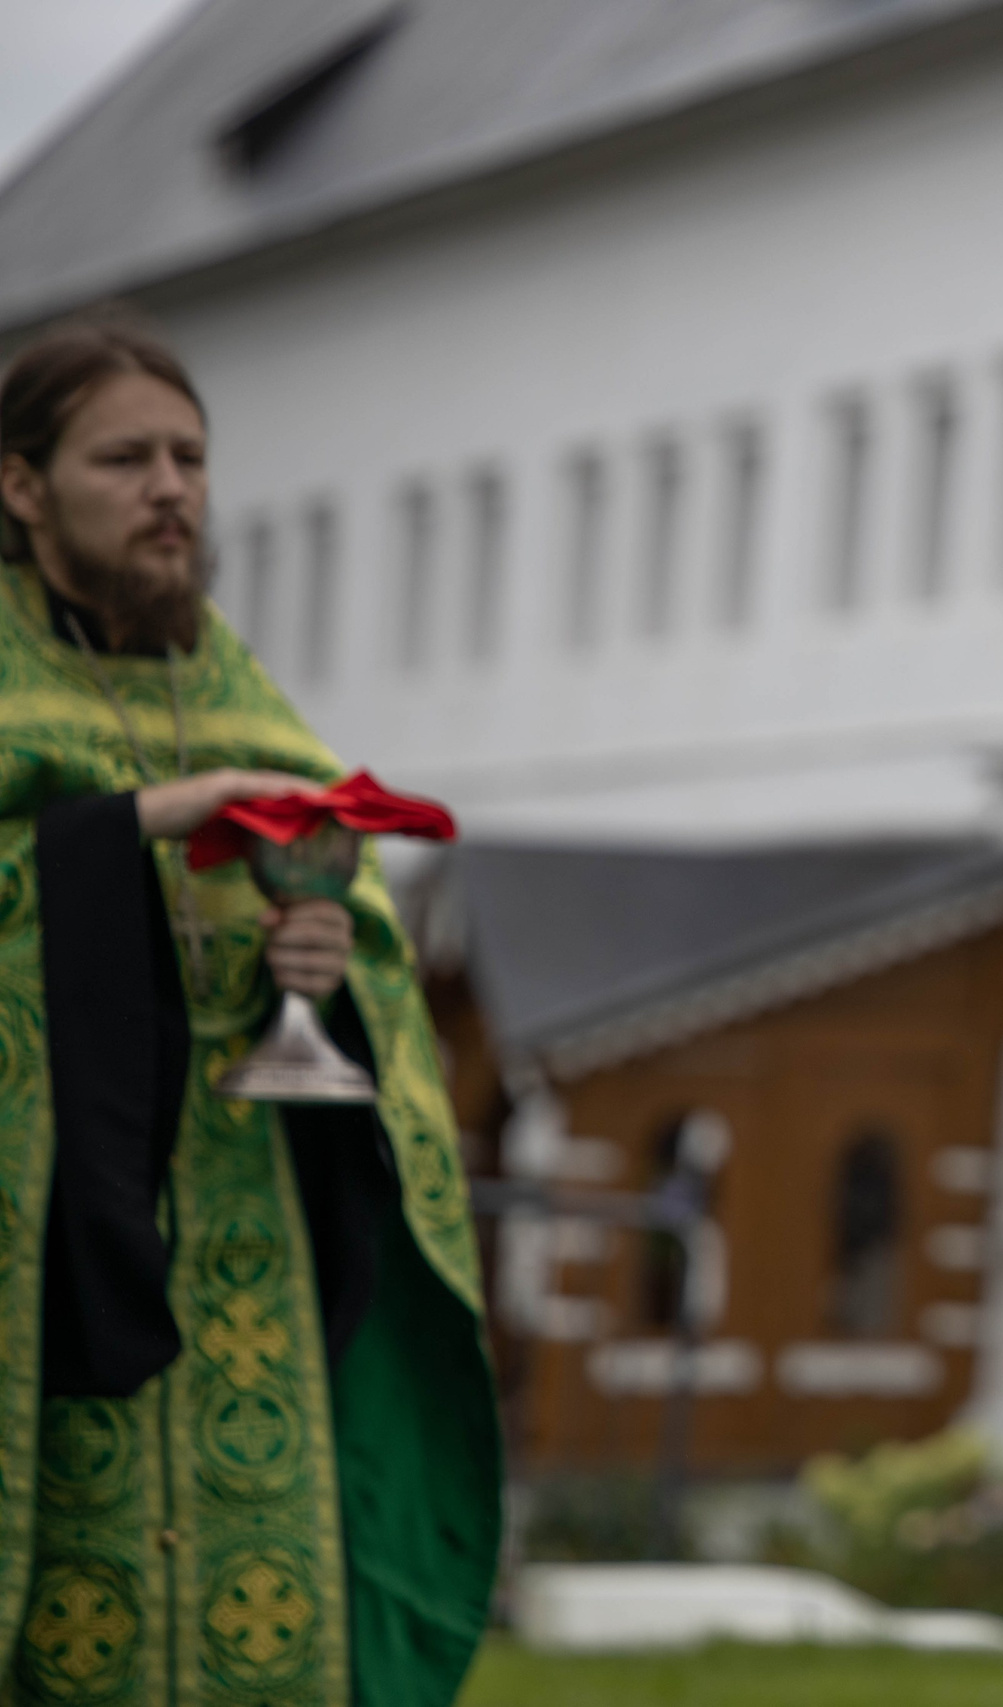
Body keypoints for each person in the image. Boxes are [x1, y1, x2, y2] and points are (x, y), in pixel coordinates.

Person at [0, 315, 500, 1707]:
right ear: (21, 486)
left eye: (191, 457)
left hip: (245, 1268)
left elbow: (387, 987)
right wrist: (134, 828)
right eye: (124, 458)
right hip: (38, 1277)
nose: (170, 488)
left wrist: (332, 978)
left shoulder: (248, 704)